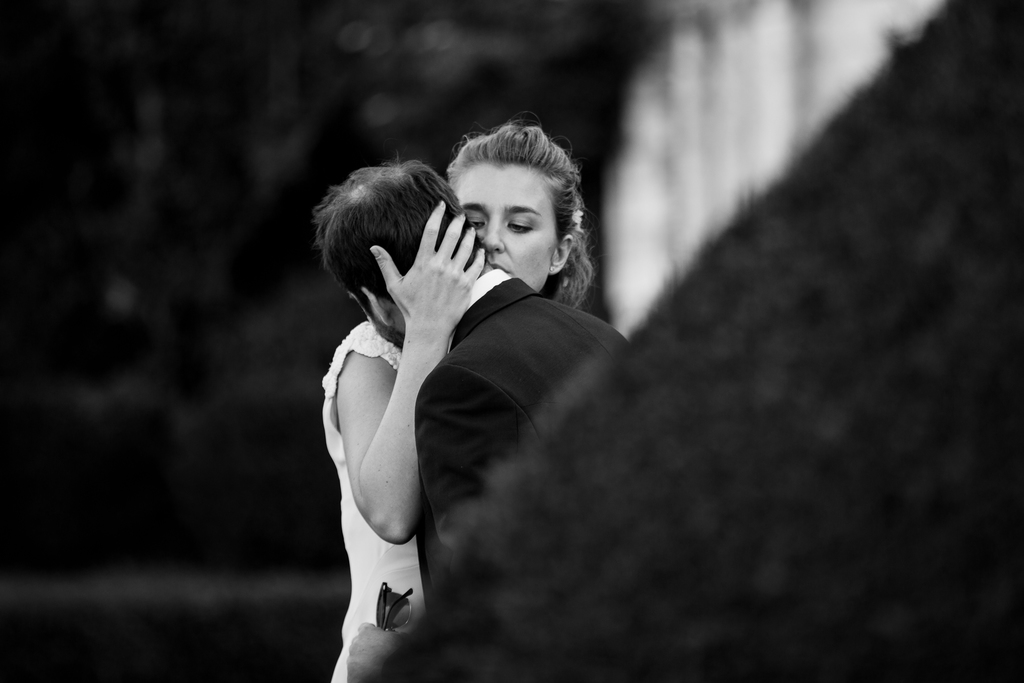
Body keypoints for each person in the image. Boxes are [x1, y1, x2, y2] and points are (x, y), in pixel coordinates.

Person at [347, 120, 628, 681]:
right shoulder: (378, 348)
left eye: (520, 225)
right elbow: (389, 510)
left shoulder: (540, 358)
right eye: (471, 223)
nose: (492, 242)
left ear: (559, 253)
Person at [313, 160, 484, 683]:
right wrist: (428, 334)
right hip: (389, 655)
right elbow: (391, 513)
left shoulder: (487, 339)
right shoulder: (366, 359)